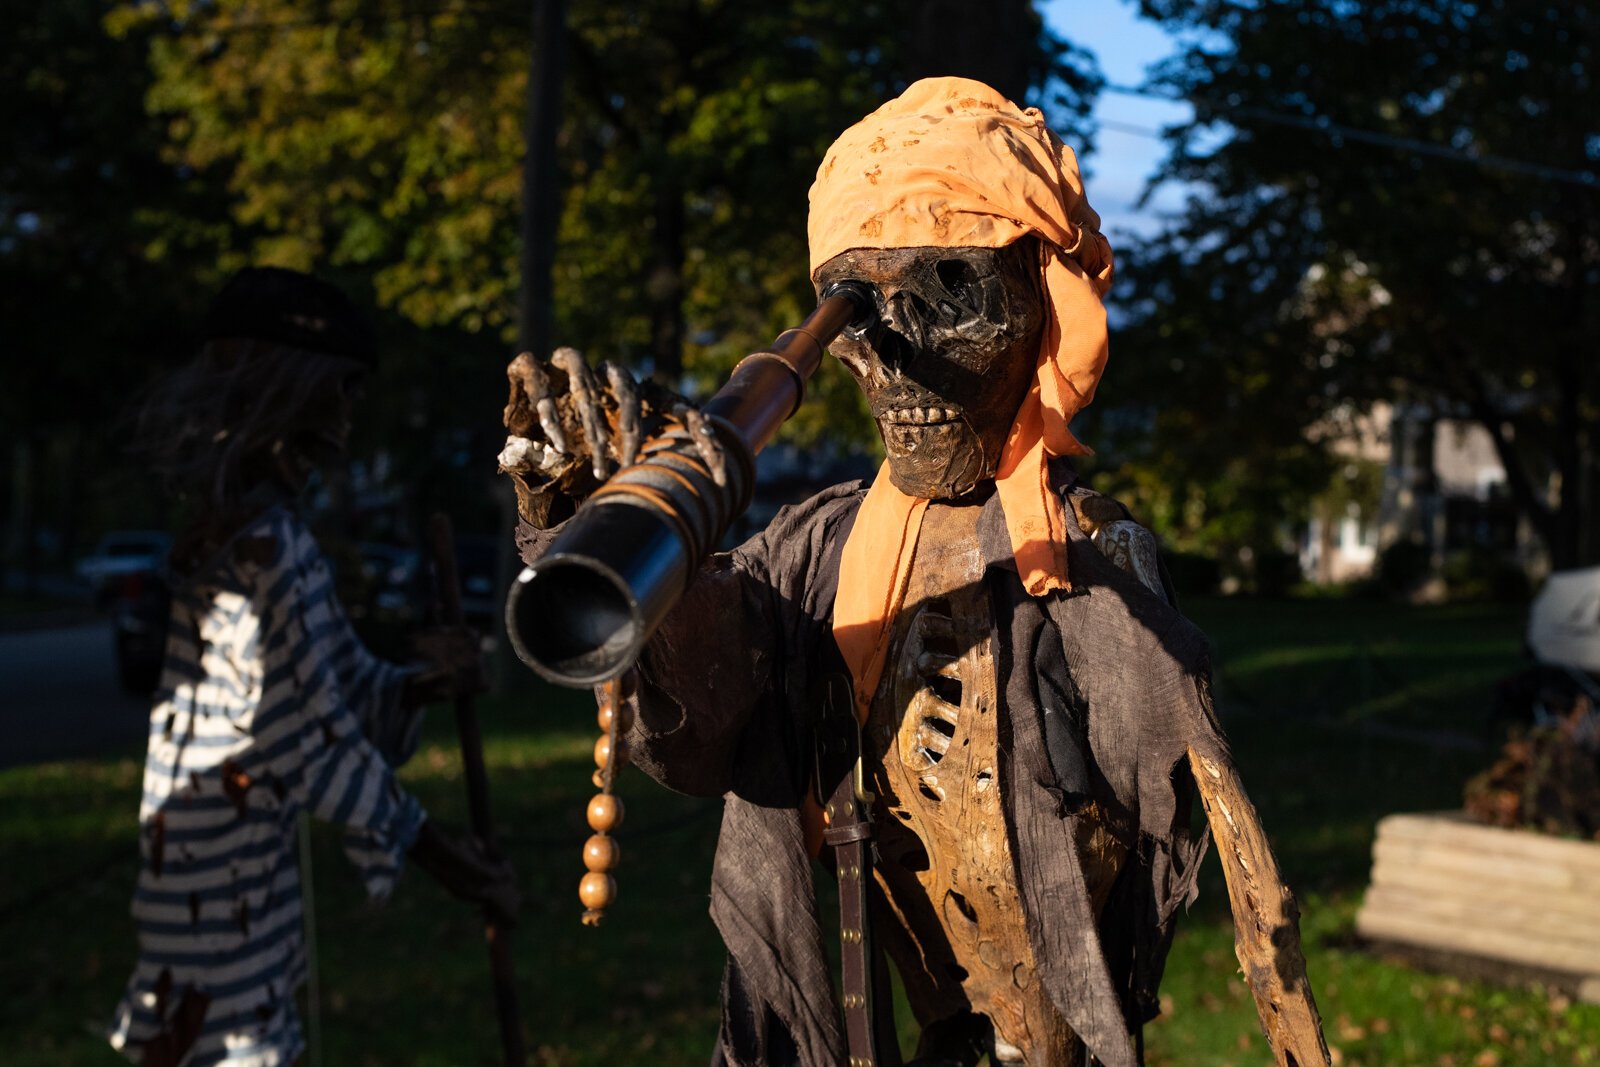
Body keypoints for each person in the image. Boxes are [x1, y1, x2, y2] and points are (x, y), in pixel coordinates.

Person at [499, 79, 1326, 1066]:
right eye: (861, 312)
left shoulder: (1088, 560)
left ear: (1041, 306)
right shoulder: (820, 549)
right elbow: (704, 727)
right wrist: (583, 522)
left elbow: (1154, 839)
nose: (899, 363)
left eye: (950, 293)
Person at [109, 267, 517, 1067]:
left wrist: (429, 679)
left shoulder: (260, 531)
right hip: (212, 882)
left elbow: (332, 688)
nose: (351, 413)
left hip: (223, 872)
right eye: (345, 389)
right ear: (295, 388)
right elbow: (309, 740)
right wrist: (451, 861)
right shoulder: (260, 547)